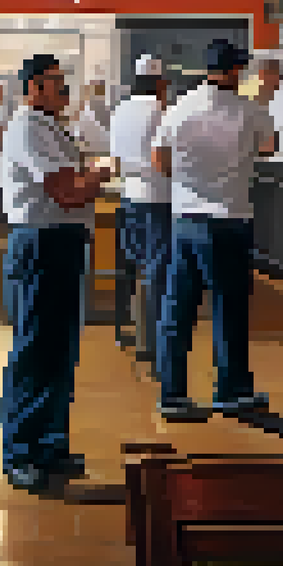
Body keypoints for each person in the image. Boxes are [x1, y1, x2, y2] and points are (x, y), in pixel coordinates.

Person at [0, 54, 111, 492]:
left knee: (60, 349)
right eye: (56, 85)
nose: (64, 93)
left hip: (62, 243)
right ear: (32, 88)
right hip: (41, 242)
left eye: (65, 85)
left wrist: (88, 177)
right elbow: (67, 192)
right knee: (35, 351)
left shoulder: (52, 125)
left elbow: (71, 181)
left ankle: (49, 444)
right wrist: (99, 174)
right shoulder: (28, 126)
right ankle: (20, 451)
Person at [150, 39, 274, 422]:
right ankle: (231, 390)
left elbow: (158, 160)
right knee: (229, 308)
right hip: (229, 220)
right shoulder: (251, 112)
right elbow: (268, 150)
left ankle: (172, 393)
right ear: (237, 71)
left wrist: (189, 182)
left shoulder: (178, 108)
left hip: (186, 219)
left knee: (177, 309)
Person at [109, 55, 172, 369]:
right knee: (157, 270)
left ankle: (129, 330)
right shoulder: (161, 111)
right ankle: (151, 341)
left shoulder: (120, 110)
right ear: (160, 83)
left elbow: (116, 157)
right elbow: (168, 157)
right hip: (158, 198)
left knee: (133, 267)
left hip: (128, 197)